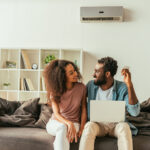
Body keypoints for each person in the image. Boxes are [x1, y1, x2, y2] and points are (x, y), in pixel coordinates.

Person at [79, 57, 140, 150]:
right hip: (97, 125)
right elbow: (78, 100)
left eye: (97, 71)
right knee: (88, 126)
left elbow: (134, 112)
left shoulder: (122, 87)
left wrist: (129, 85)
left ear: (107, 74)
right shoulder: (91, 85)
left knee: (125, 127)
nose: (93, 74)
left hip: (115, 126)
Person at [43, 59, 87, 150]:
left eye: (74, 70)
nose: (75, 74)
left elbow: (83, 108)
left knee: (63, 130)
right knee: (62, 127)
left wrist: (82, 127)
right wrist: (68, 123)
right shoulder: (54, 91)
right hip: (55, 123)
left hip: (75, 124)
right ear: (62, 76)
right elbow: (56, 114)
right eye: (71, 73)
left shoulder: (81, 88)